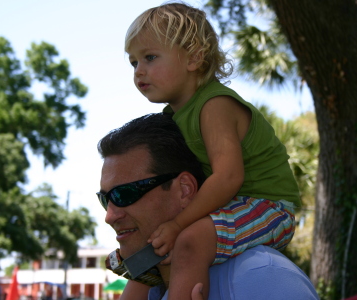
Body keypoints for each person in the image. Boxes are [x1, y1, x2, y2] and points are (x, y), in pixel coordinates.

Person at [124, 3, 301, 299]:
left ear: (194, 57)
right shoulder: (172, 118)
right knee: (146, 257)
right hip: (227, 206)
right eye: (133, 62)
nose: (139, 71)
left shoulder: (214, 105)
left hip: (269, 206)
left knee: (189, 241)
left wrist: (178, 223)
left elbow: (228, 177)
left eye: (150, 57)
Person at [97, 113, 319, 300]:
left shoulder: (263, 277)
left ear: (184, 189)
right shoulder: (147, 287)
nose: (110, 215)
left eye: (124, 194)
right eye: (105, 198)